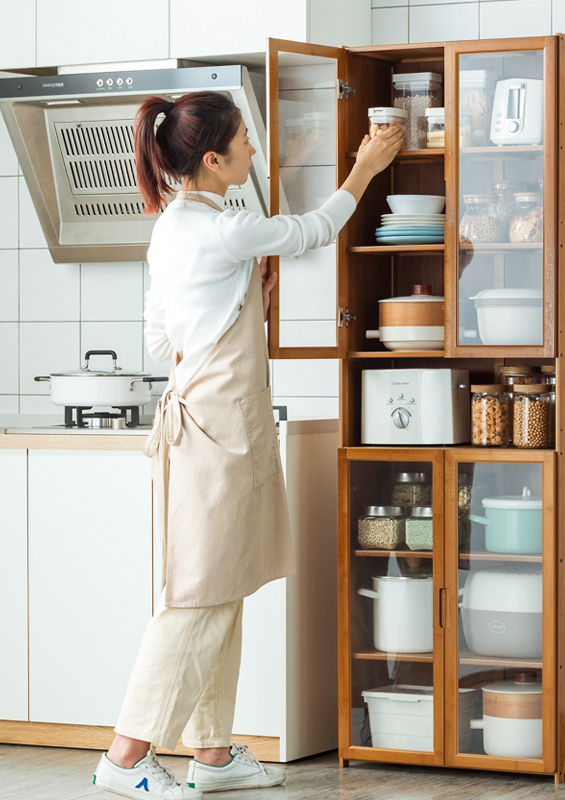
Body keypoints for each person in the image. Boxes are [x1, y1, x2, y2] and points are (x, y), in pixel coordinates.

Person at [92, 91, 403, 799]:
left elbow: (162, 341)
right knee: (199, 596)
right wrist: (365, 168)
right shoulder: (221, 229)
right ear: (213, 159)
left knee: (222, 588)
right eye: (244, 142)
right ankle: (125, 759)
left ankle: (211, 751)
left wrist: (244, 301)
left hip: (203, 423)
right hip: (218, 432)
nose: (253, 151)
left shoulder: (173, 229)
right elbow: (312, 230)